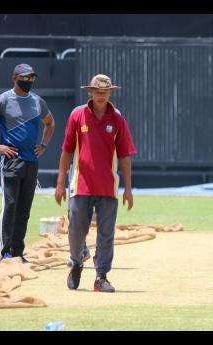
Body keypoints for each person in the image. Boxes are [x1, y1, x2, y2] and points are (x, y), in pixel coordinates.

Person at [55, 74, 136, 292]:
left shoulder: (118, 120)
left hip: (108, 187)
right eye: (97, 92)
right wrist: (60, 183)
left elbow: (125, 156)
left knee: (106, 234)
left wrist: (128, 189)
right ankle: (77, 261)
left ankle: (101, 277)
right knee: (76, 229)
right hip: (80, 184)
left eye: (104, 92)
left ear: (110, 93)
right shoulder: (77, 115)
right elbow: (67, 150)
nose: (101, 96)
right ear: (90, 92)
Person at [0, 64, 55, 262]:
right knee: (10, 206)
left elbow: (50, 123)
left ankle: (19, 254)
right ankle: (5, 253)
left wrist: (44, 144)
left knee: (24, 209)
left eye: (31, 78)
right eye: (25, 78)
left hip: (31, 162)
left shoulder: (38, 101)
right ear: (14, 78)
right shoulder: (3, 100)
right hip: (11, 161)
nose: (28, 82)